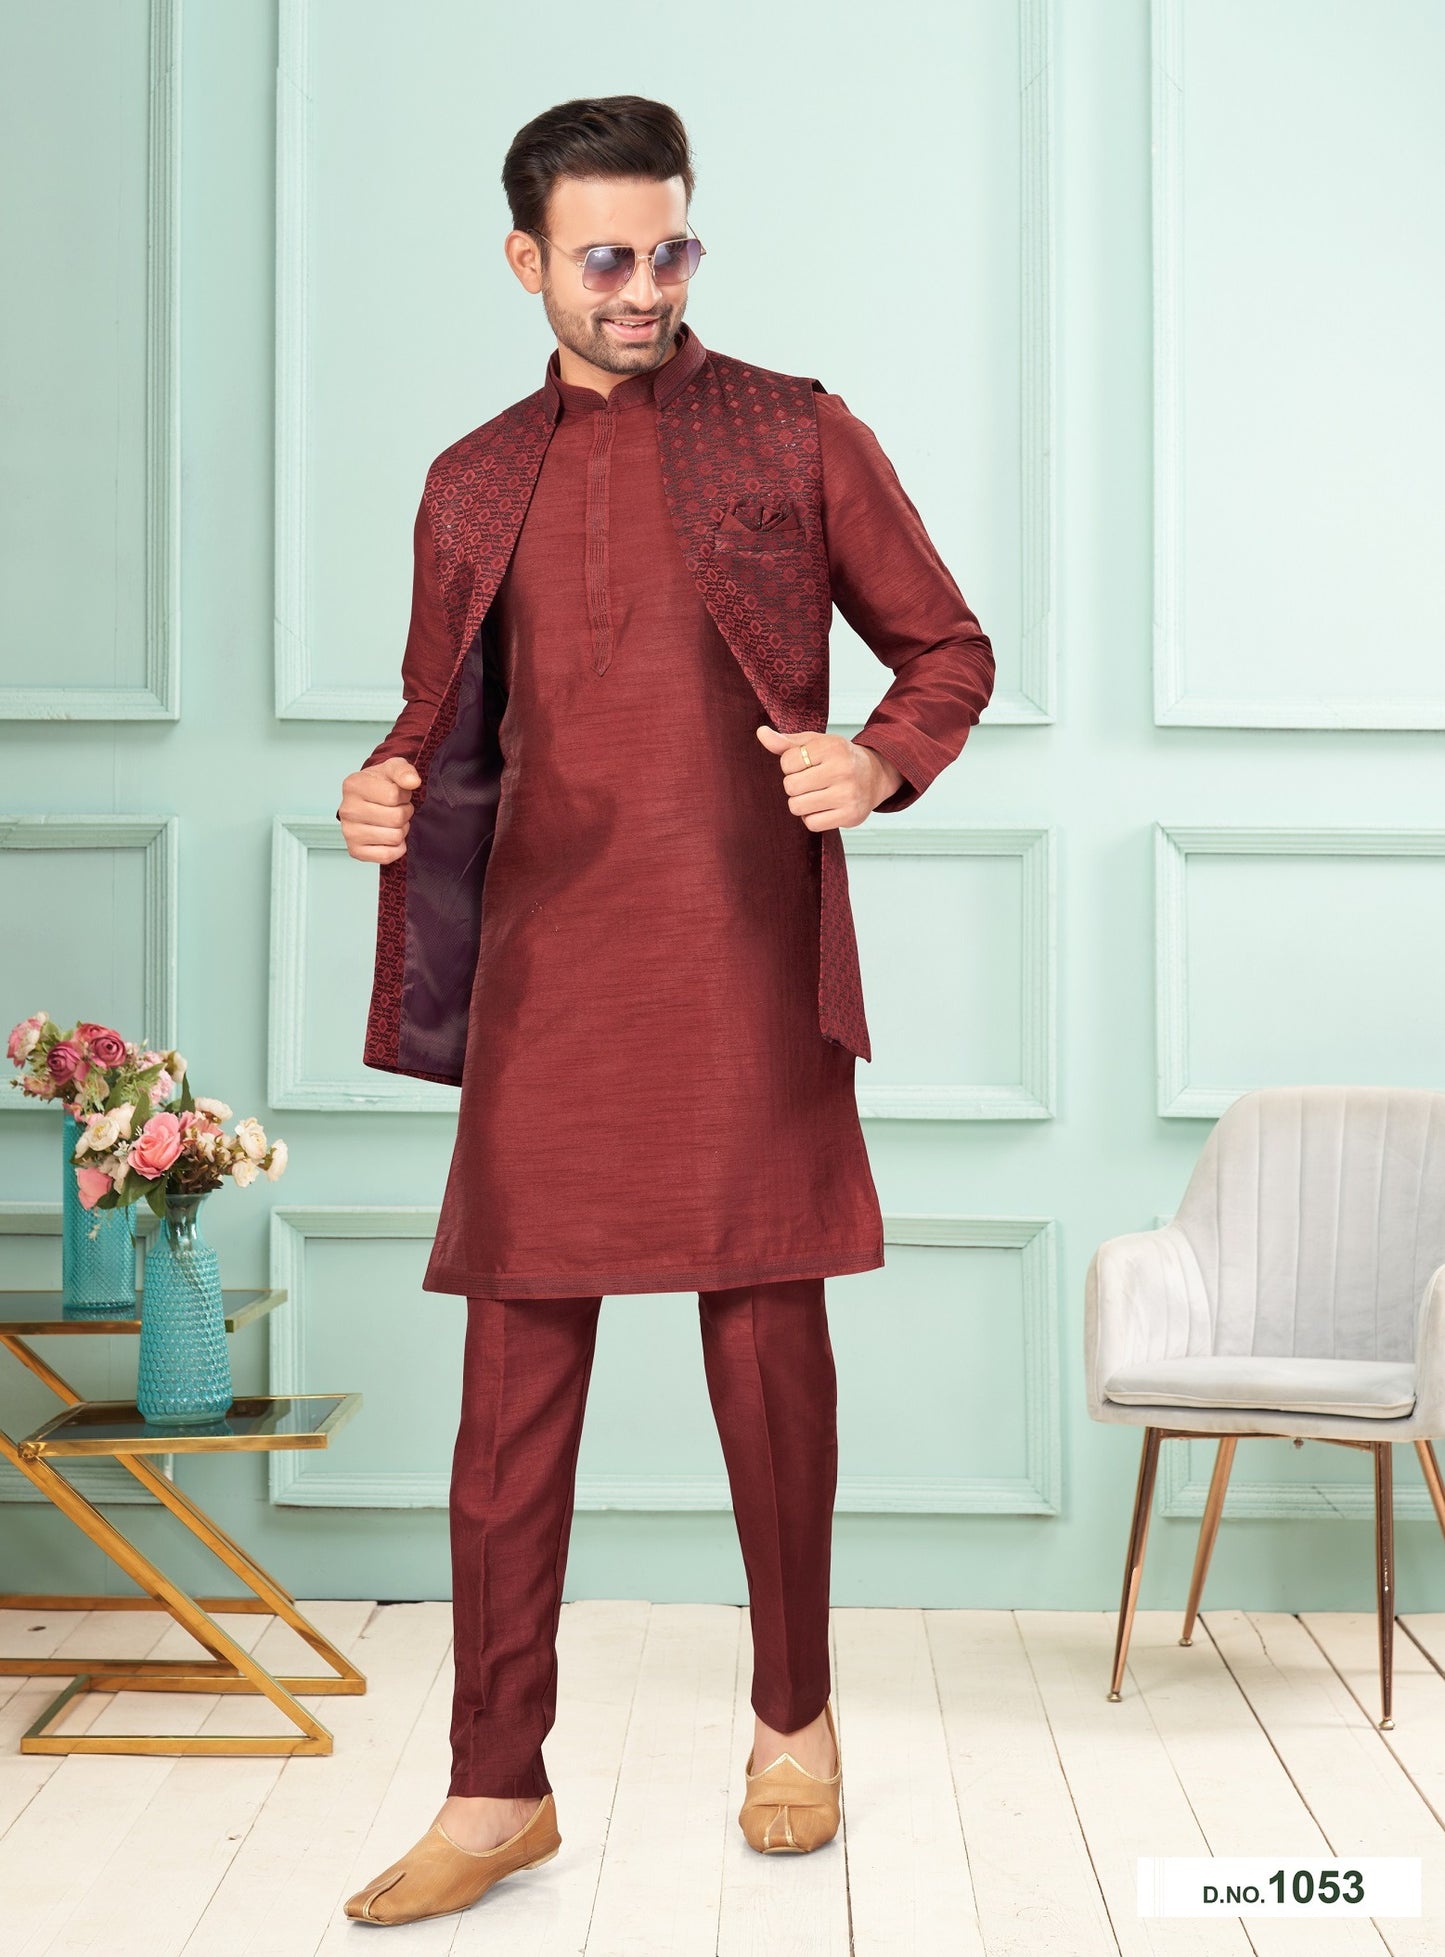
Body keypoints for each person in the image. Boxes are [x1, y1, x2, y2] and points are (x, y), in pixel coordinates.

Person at [336, 95, 994, 1927]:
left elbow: (945, 648)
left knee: (766, 1351)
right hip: (546, 976)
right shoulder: (473, 477)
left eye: (672, 249)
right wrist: (380, 786)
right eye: (606, 257)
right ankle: (495, 1786)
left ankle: (795, 1719)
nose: (644, 287)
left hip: (742, 954)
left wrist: (878, 761)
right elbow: (436, 722)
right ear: (526, 260)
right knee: (507, 1392)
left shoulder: (794, 430)